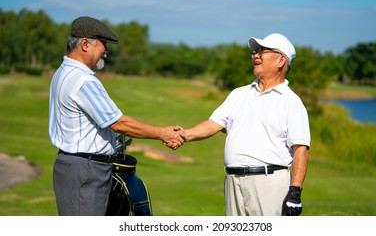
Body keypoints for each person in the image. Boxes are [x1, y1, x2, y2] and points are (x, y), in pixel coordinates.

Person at [48, 16, 185, 216]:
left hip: (76, 167)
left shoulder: (63, 72)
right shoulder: (83, 80)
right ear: (85, 44)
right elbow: (118, 123)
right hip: (86, 171)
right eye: (103, 44)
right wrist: (163, 133)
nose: (106, 50)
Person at [179, 33, 310, 216]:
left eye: (262, 51)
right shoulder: (238, 94)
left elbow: (300, 150)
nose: (256, 55)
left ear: (281, 60)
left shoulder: (291, 102)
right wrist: (184, 135)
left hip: (269, 183)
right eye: (255, 52)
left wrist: (295, 193)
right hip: (233, 181)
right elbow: (213, 124)